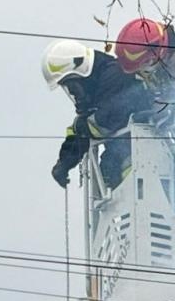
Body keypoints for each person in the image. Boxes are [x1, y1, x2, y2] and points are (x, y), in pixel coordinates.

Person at [42, 39, 152, 190]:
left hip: (145, 156)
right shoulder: (97, 85)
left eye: (72, 86)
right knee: (110, 169)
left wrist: (81, 126)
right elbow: (82, 129)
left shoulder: (116, 75)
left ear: (83, 70)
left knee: (117, 167)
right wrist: (64, 163)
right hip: (130, 156)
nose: (73, 93)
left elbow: (105, 121)